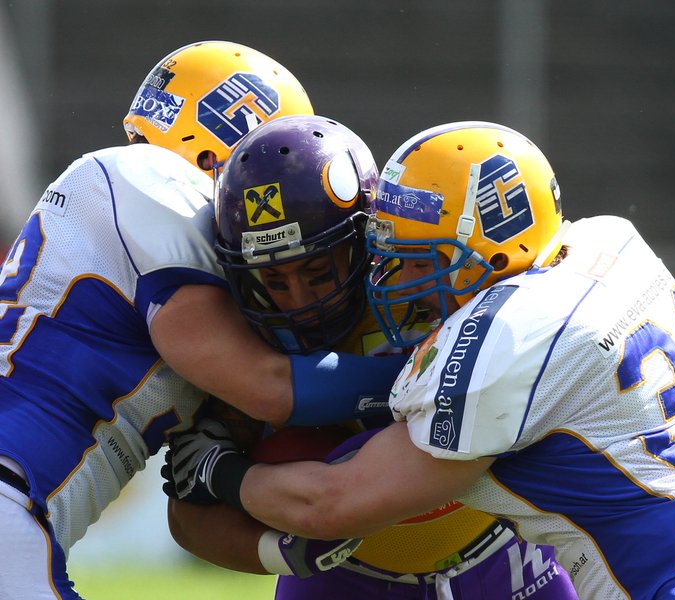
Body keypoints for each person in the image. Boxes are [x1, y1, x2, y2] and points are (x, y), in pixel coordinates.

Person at [168, 121, 675, 599]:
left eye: (425, 260)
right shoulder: (608, 242)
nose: (406, 283)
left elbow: (334, 503)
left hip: (667, 584)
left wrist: (221, 472)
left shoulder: (505, 339)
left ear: (494, 244)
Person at [0, 41, 403, 600]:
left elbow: (190, 499)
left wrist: (282, 550)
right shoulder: (151, 177)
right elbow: (268, 387)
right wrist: (430, 377)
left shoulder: (196, 300)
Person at [165, 114, 578, 600]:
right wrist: (283, 554)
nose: (298, 299)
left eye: (317, 271)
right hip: (348, 577)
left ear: (365, 241)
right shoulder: (246, 339)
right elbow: (188, 514)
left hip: (498, 555)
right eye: (274, 280)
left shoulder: (435, 287)